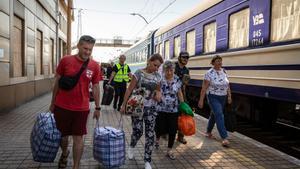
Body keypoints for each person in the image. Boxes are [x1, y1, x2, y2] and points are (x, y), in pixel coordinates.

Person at [49, 35, 102, 169]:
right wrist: (52, 102)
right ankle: (65, 152)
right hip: (62, 106)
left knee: (78, 138)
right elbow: (57, 83)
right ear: (78, 46)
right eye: (85, 48)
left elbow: (96, 87)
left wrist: (98, 107)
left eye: (90, 49)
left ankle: (76, 166)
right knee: (63, 137)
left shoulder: (95, 66)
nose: (88, 52)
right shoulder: (66, 60)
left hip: (82, 109)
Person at [120, 53, 163, 169]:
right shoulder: (138, 73)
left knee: (150, 134)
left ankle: (147, 160)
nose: (156, 68)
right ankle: (132, 146)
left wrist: (158, 96)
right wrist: (123, 105)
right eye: (155, 65)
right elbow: (129, 90)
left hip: (151, 108)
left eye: (158, 66)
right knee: (138, 131)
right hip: (137, 106)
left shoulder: (158, 76)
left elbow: (159, 91)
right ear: (149, 61)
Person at [198, 55, 232, 147]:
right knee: (219, 114)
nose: (220, 63)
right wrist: (201, 100)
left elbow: (227, 85)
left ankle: (208, 132)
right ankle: (224, 137)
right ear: (213, 63)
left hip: (223, 97)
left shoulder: (224, 71)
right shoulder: (209, 73)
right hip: (213, 97)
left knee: (214, 114)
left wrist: (229, 96)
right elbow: (204, 88)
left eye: (221, 61)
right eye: (217, 61)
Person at [155, 61, 184, 160]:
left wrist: (183, 104)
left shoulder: (177, 79)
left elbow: (179, 93)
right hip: (161, 108)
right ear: (164, 70)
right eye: (167, 70)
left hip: (173, 109)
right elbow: (157, 91)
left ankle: (169, 150)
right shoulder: (160, 78)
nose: (169, 72)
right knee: (160, 127)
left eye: (171, 70)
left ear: (174, 70)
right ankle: (157, 139)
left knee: (173, 129)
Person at [174, 51, 190, 144]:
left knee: (183, 114)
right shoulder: (173, 67)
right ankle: (167, 133)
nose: (186, 59)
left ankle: (180, 136)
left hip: (181, 94)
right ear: (179, 57)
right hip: (171, 94)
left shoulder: (186, 70)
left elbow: (184, 85)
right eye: (184, 57)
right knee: (172, 116)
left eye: (187, 58)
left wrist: (185, 81)